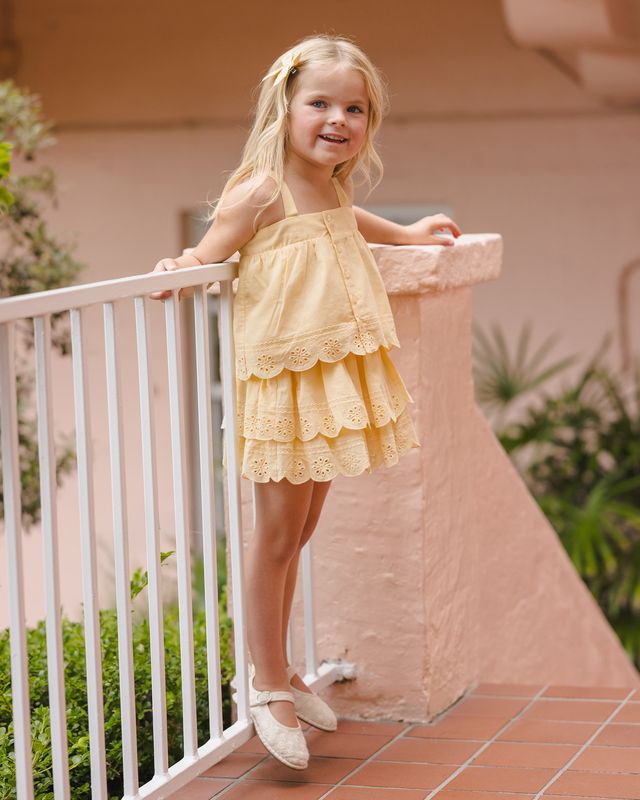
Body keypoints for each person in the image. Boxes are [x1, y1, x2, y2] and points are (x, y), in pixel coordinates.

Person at [150, 34, 461, 770]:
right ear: (284, 106)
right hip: (284, 383)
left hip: (327, 377)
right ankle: (265, 684)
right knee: (278, 537)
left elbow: (347, 222)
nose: (338, 119)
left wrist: (406, 233)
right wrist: (179, 267)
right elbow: (211, 252)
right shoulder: (261, 189)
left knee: (305, 527)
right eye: (320, 103)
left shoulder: (330, 186)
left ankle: (282, 666)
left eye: (354, 108)